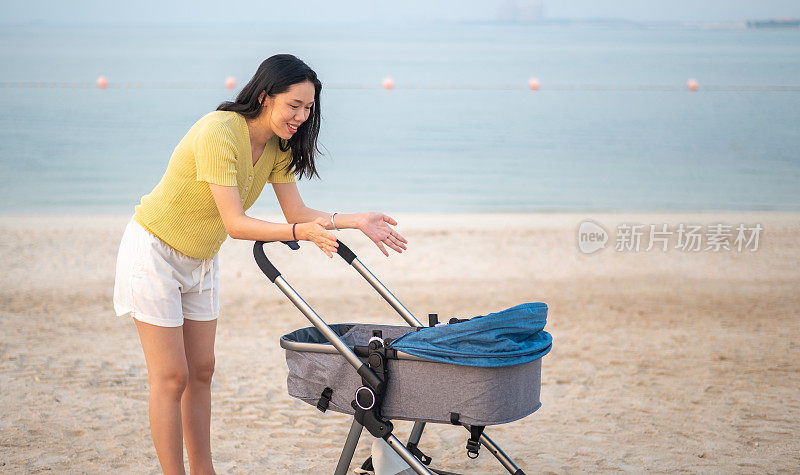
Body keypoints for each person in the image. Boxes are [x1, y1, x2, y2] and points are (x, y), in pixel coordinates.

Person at [113, 54, 407, 475]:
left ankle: (203, 471)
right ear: (266, 96)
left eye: (308, 108)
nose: (302, 116)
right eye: (294, 105)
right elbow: (235, 224)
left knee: (202, 371)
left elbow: (297, 210)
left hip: (200, 259)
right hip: (153, 252)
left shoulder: (277, 146)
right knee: (172, 376)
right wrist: (298, 234)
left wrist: (354, 220)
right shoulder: (220, 132)